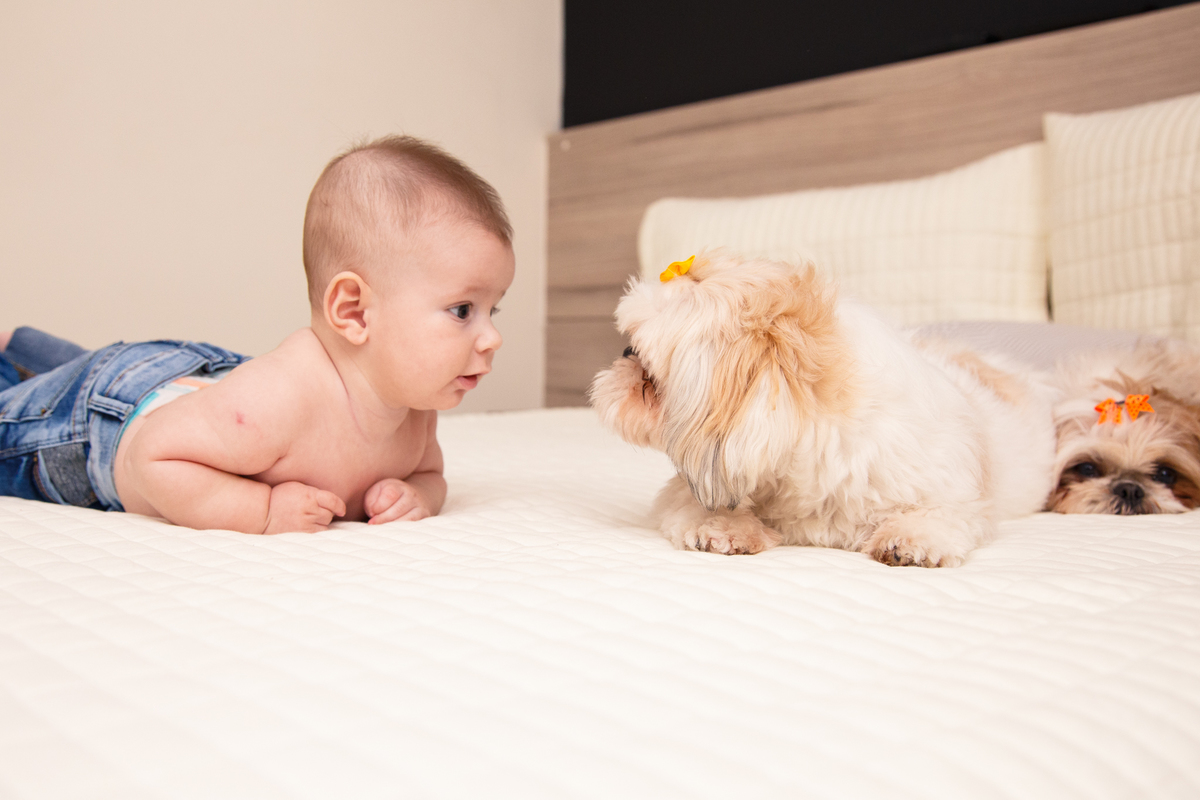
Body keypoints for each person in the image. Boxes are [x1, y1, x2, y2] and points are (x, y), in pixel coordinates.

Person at [0, 135, 515, 534]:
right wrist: (262, 509)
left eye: (494, 309)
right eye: (462, 310)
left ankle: (17, 345)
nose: (490, 337)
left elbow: (430, 475)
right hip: (109, 418)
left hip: (195, 378)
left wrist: (420, 496)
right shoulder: (277, 400)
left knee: (80, 368)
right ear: (355, 312)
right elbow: (152, 457)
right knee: (27, 415)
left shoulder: (414, 408)